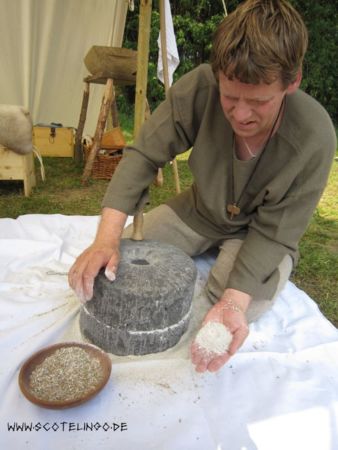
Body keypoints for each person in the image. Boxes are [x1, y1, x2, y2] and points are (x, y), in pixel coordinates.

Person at [69, 0, 336, 373]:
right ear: (217, 75)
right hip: (200, 211)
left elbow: (277, 231)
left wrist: (233, 300)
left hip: (259, 233)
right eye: (230, 96)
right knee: (124, 266)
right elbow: (144, 154)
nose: (241, 114)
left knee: (235, 306)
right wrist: (106, 238)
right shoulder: (200, 86)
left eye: (259, 101)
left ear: (292, 81)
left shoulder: (314, 135)